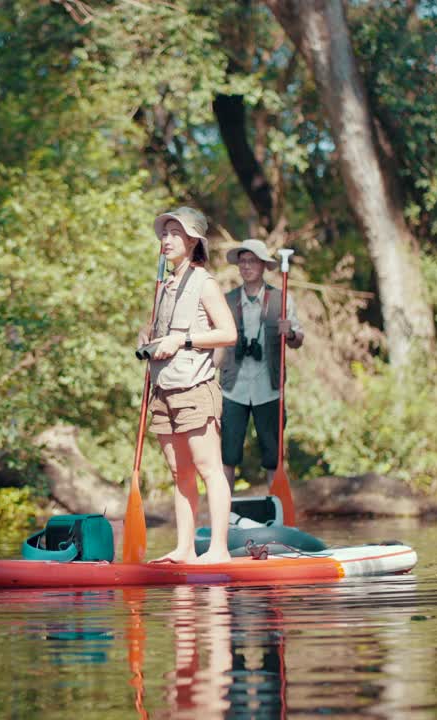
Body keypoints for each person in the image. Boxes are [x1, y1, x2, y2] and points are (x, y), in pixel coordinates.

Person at [139, 207, 238, 564]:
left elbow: (228, 334)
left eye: (174, 233)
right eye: (164, 233)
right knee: (179, 472)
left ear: (193, 240)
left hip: (196, 388)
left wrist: (181, 341)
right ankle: (184, 548)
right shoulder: (164, 286)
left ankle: (219, 550)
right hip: (163, 390)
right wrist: (149, 337)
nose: (166, 240)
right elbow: (161, 334)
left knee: (209, 468)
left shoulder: (205, 283)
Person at [217, 239, 304, 488]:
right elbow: (218, 345)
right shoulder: (227, 300)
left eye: (252, 260)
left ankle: (276, 509)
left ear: (264, 265)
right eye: (242, 261)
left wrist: (290, 332)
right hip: (233, 388)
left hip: (270, 388)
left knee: (273, 456)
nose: (246, 266)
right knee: (228, 455)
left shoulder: (281, 299)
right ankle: (226, 512)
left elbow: (297, 340)